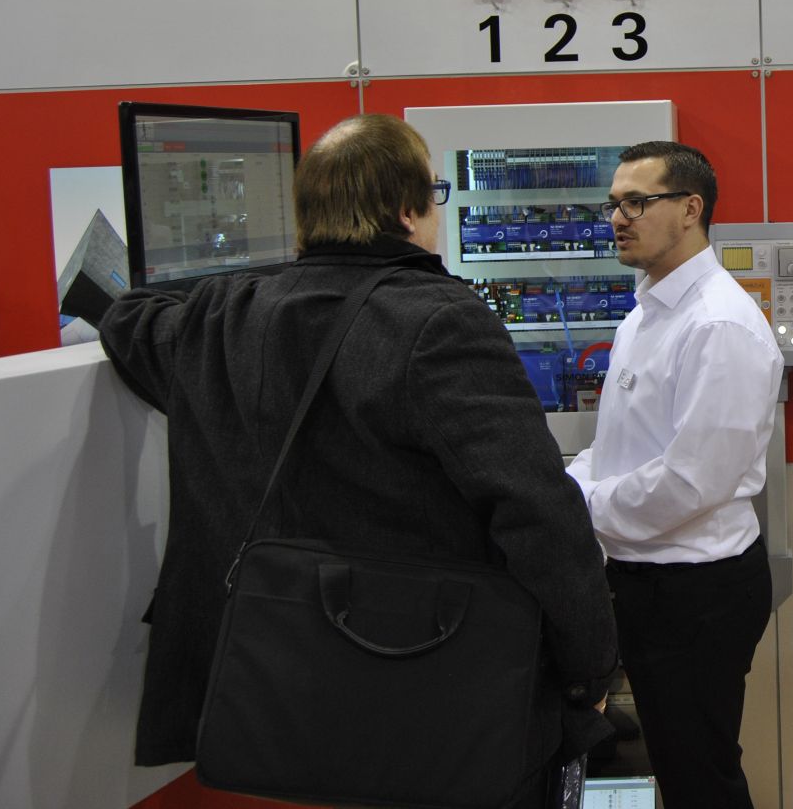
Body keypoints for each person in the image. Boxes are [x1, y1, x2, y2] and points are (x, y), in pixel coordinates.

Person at [99, 114, 617, 801]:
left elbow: (127, 315)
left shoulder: (222, 316)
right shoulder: (441, 320)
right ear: (406, 210)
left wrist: (285, 268)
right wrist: (588, 669)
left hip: (280, 689)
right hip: (433, 687)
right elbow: (538, 513)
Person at [567, 140, 783, 809]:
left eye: (637, 202)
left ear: (691, 209)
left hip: (695, 592)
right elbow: (619, 445)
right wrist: (569, 483)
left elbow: (692, 482)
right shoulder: (646, 314)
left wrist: (580, 505)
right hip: (648, 581)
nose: (617, 218)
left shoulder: (720, 325)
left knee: (699, 777)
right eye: (614, 203)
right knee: (677, 763)